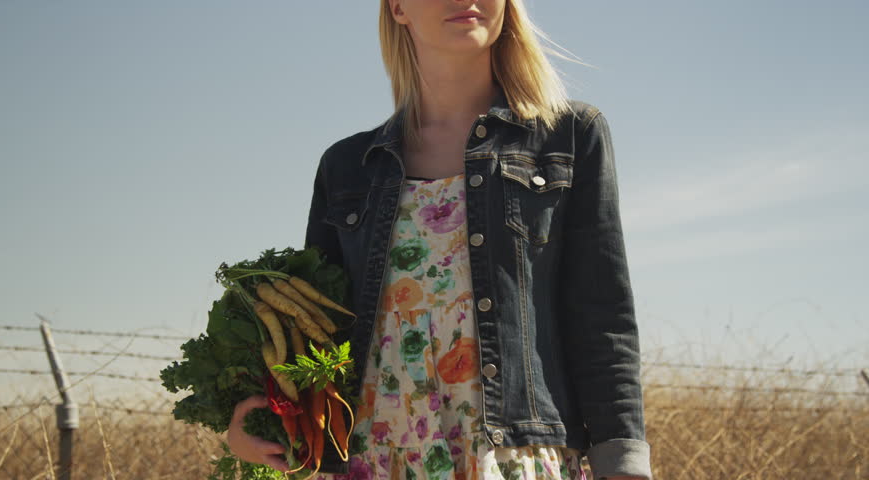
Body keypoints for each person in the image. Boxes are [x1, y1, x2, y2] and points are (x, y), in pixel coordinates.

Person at [227, 1, 652, 479]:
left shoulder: (569, 136)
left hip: (511, 456)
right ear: (398, 8)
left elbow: (601, 312)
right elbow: (312, 326)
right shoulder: (347, 166)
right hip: (371, 455)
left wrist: (623, 459)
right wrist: (253, 410)